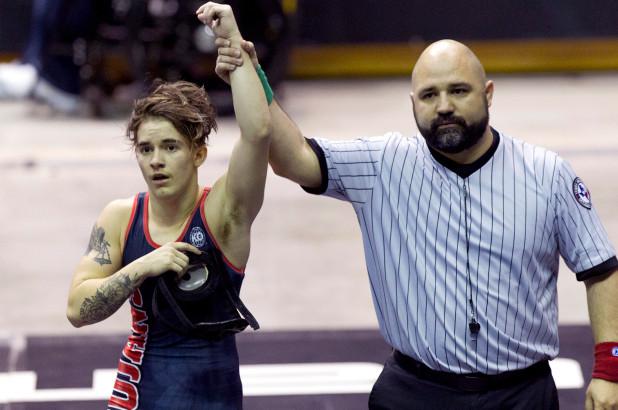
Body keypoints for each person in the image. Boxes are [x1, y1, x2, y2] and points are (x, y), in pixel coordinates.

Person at [214, 31, 618, 409]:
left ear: (488, 94)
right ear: (413, 104)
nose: (444, 106)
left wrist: (609, 370)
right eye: (429, 95)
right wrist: (253, 77)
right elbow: (292, 157)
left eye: (458, 91)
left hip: (521, 395)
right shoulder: (382, 166)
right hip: (415, 393)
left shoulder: (547, 175)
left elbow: (601, 270)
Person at [66, 3, 271, 409]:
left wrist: (231, 43)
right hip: (141, 395)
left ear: (198, 153)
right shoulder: (122, 218)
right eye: (145, 149)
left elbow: (258, 133)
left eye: (170, 147)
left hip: (217, 397)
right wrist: (143, 265)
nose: (155, 160)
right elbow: (77, 309)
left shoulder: (224, 214)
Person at [0, 0, 96, 114]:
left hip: (62, 82)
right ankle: (32, 67)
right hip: (52, 73)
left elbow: (73, 25)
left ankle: (37, 70)